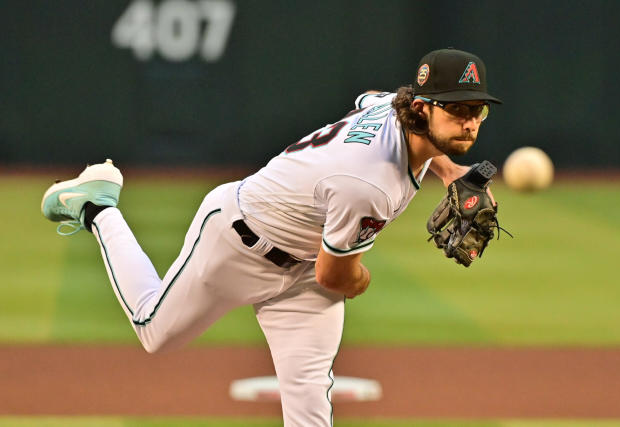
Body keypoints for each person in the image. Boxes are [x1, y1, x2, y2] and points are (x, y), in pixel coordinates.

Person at [41, 47, 501, 426]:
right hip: (237, 240)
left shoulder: (397, 110)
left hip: (302, 273)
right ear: (421, 108)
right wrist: (365, 281)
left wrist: (450, 171)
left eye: (477, 109)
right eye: (457, 109)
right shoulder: (370, 184)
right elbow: (337, 275)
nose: (470, 121)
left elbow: (371, 97)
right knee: (155, 332)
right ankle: (99, 206)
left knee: (309, 413)